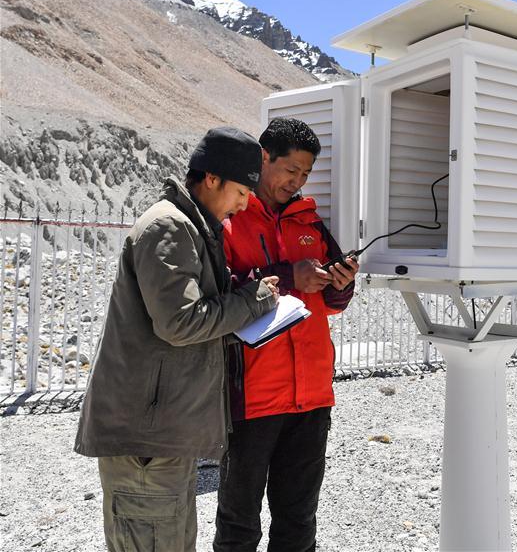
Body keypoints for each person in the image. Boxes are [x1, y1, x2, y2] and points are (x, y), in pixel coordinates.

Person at [74, 127, 281, 552]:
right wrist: (252, 301)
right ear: (211, 179)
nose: (245, 204)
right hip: (145, 440)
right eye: (242, 191)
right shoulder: (168, 227)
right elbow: (181, 322)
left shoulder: (192, 227)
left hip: (163, 434)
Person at [214, 118, 358, 552]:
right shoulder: (229, 218)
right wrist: (287, 276)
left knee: (298, 521)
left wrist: (341, 283)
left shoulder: (311, 223)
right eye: (290, 170)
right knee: (239, 524)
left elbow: (333, 305)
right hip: (252, 396)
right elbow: (219, 294)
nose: (296, 181)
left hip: (312, 395)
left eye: (305, 174)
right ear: (263, 159)